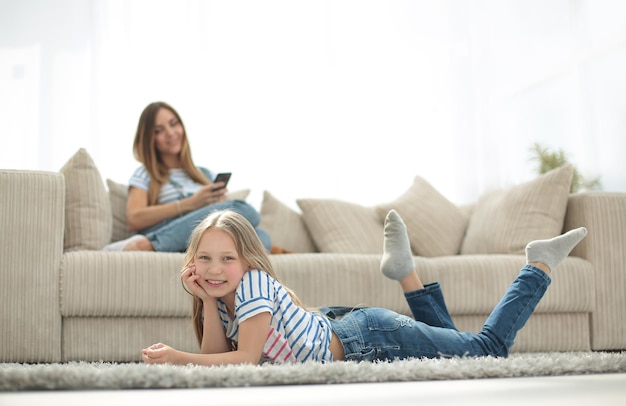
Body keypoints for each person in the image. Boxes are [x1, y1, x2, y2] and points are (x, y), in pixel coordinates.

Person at [141, 209, 587, 365]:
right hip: (344, 328)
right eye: (204, 259)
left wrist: (178, 358)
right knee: (462, 353)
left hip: (369, 339)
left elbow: (242, 363)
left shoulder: (254, 284)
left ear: (247, 260)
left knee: (486, 350)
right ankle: (406, 274)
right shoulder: (222, 294)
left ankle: (537, 267)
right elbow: (218, 355)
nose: (214, 269)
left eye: (226, 259)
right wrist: (204, 299)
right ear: (192, 262)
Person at [105, 101, 271, 253]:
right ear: (150, 139)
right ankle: (153, 244)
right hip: (169, 233)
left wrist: (215, 202)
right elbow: (134, 218)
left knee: (261, 236)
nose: (170, 133)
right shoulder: (145, 174)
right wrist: (190, 203)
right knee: (244, 209)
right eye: (158, 130)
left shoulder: (205, 174)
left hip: (206, 236)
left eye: (173, 124)